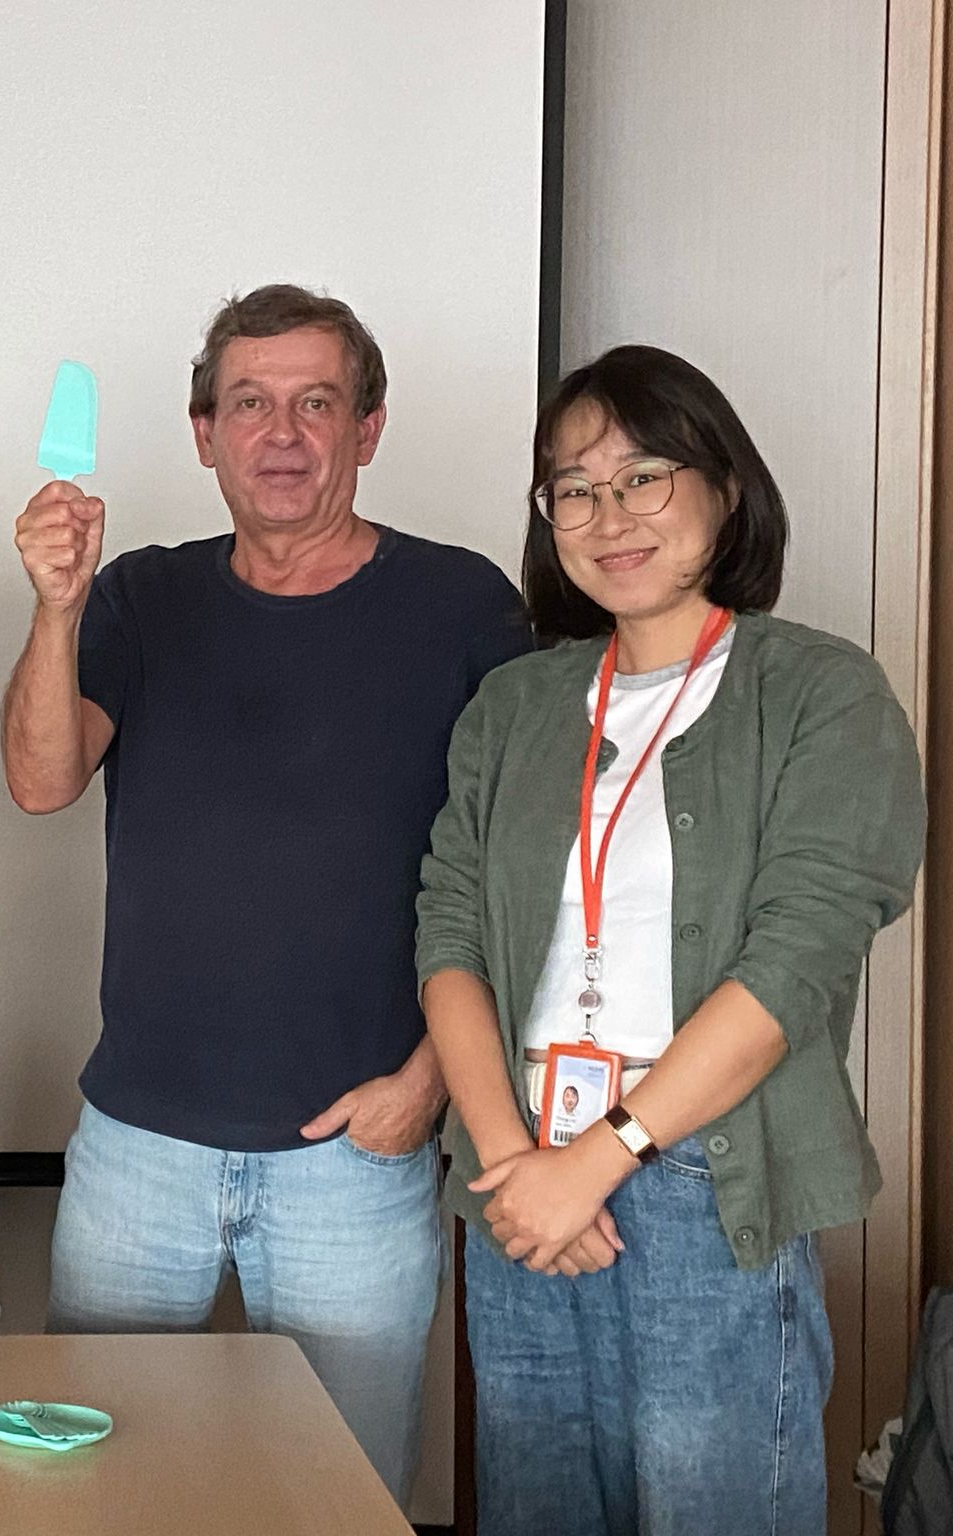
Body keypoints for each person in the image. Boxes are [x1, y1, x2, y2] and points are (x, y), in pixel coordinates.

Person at [1, 283, 529, 1503]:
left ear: (367, 428)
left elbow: (523, 870)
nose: (279, 435)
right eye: (247, 404)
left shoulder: (461, 606)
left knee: (339, 1499)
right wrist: (57, 607)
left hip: (357, 1151)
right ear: (204, 434)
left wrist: (427, 1084)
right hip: (136, 1146)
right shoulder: (139, 595)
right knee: (95, 1494)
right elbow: (38, 781)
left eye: (314, 404)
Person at [417, 344, 925, 1533]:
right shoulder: (513, 706)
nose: (608, 516)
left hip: (703, 1175)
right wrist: (512, 1165)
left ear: (723, 488)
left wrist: (596, 1161)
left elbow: (793, 962)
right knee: (535, 1508)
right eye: (574, 488)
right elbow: (446, 932)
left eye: (642, 476)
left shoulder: (821, 693)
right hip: (518, 1182)